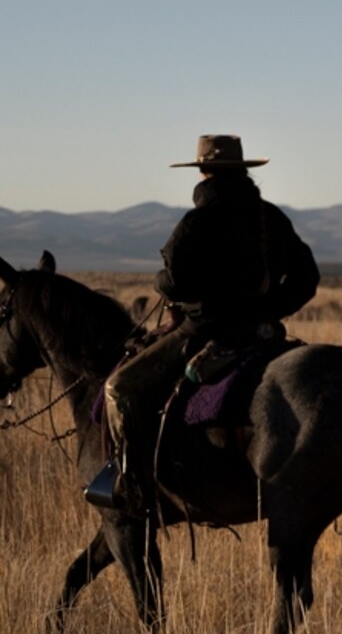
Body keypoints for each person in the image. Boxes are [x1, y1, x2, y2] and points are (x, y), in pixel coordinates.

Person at [91, 136, 320, 514]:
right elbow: (307, 277)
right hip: (261, 331)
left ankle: (134, 488)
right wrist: (268, 309)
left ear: (203, 171)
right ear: (243, 171)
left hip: (200, 332)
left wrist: (160, 283)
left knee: (120, 389)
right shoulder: (270, 218)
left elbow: (174, 281)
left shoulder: (198, 221)